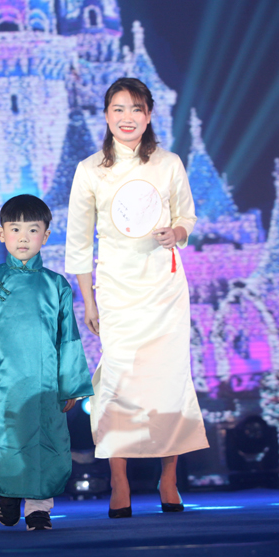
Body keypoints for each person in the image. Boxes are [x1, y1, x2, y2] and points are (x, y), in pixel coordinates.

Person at [65, 77, 209, 518]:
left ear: (148, 116)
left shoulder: (168, 163)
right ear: (106, 116)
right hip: (116, 289)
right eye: (119, 109)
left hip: (164, 287)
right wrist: (88, 301)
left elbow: (188, 215)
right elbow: (78, 243)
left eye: (136, 109)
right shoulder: (90, 169)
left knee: (168, 379)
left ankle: (169, 479)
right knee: (118, 382)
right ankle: (120, 481)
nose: (127, 118)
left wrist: (177, 232)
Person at [0, 194, 94, 531]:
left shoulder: (57, 285)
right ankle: (8, 493)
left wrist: (70, 385)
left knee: (47, 444)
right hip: (7, 381)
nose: (23, 237)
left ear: (45, 235)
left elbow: (68, 337)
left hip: (46, 385)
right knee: (7, 441)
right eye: (15, 229)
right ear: (1, 233)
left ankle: (38, 509)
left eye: (32, 230)